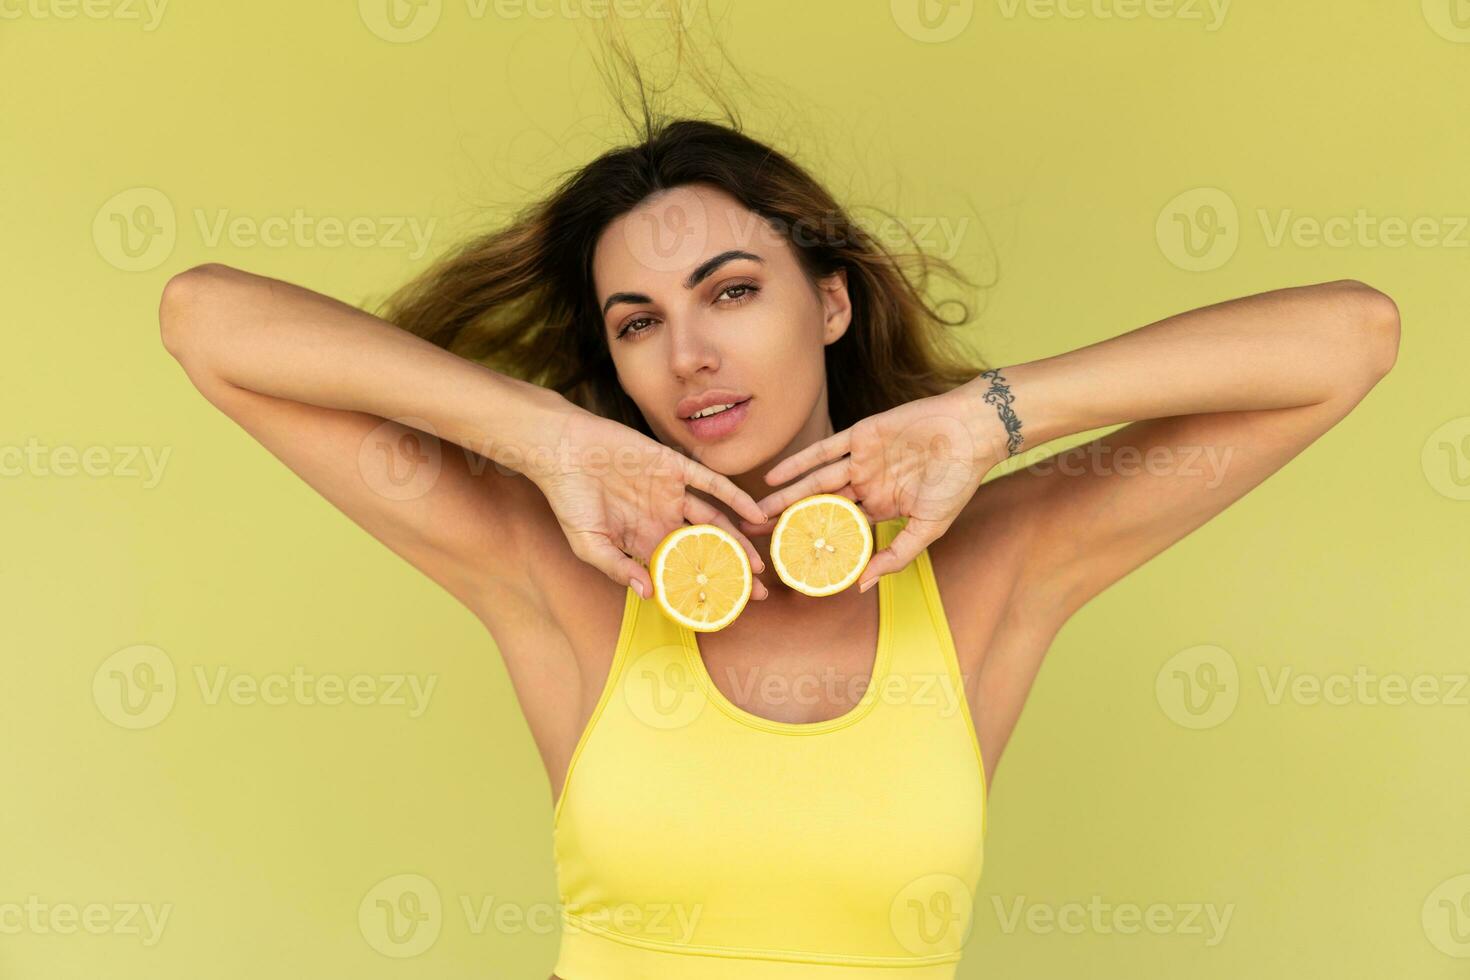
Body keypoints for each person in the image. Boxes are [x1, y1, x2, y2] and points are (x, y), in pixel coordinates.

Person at [157, 111, 1399, 979]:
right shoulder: (564, 571)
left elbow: (1350, 337)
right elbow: (206, 319)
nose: (688, 353)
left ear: (833, 300)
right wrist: (555, 444)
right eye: (637, 321)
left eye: (732, 290)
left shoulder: (986, 568)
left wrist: (989, 417)